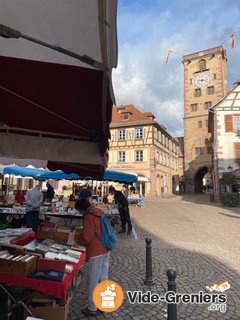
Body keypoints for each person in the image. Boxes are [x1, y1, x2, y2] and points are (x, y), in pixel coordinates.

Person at [75, 198, 110, 316]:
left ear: (82, 209)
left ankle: (92, 307)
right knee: (103, 277)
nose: (79, 213)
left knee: (93, 279)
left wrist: (78, 237)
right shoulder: (97, 211)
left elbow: (87, 238)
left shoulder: (88, 216)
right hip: (105, 247)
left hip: (96, 250)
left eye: (79, 211)